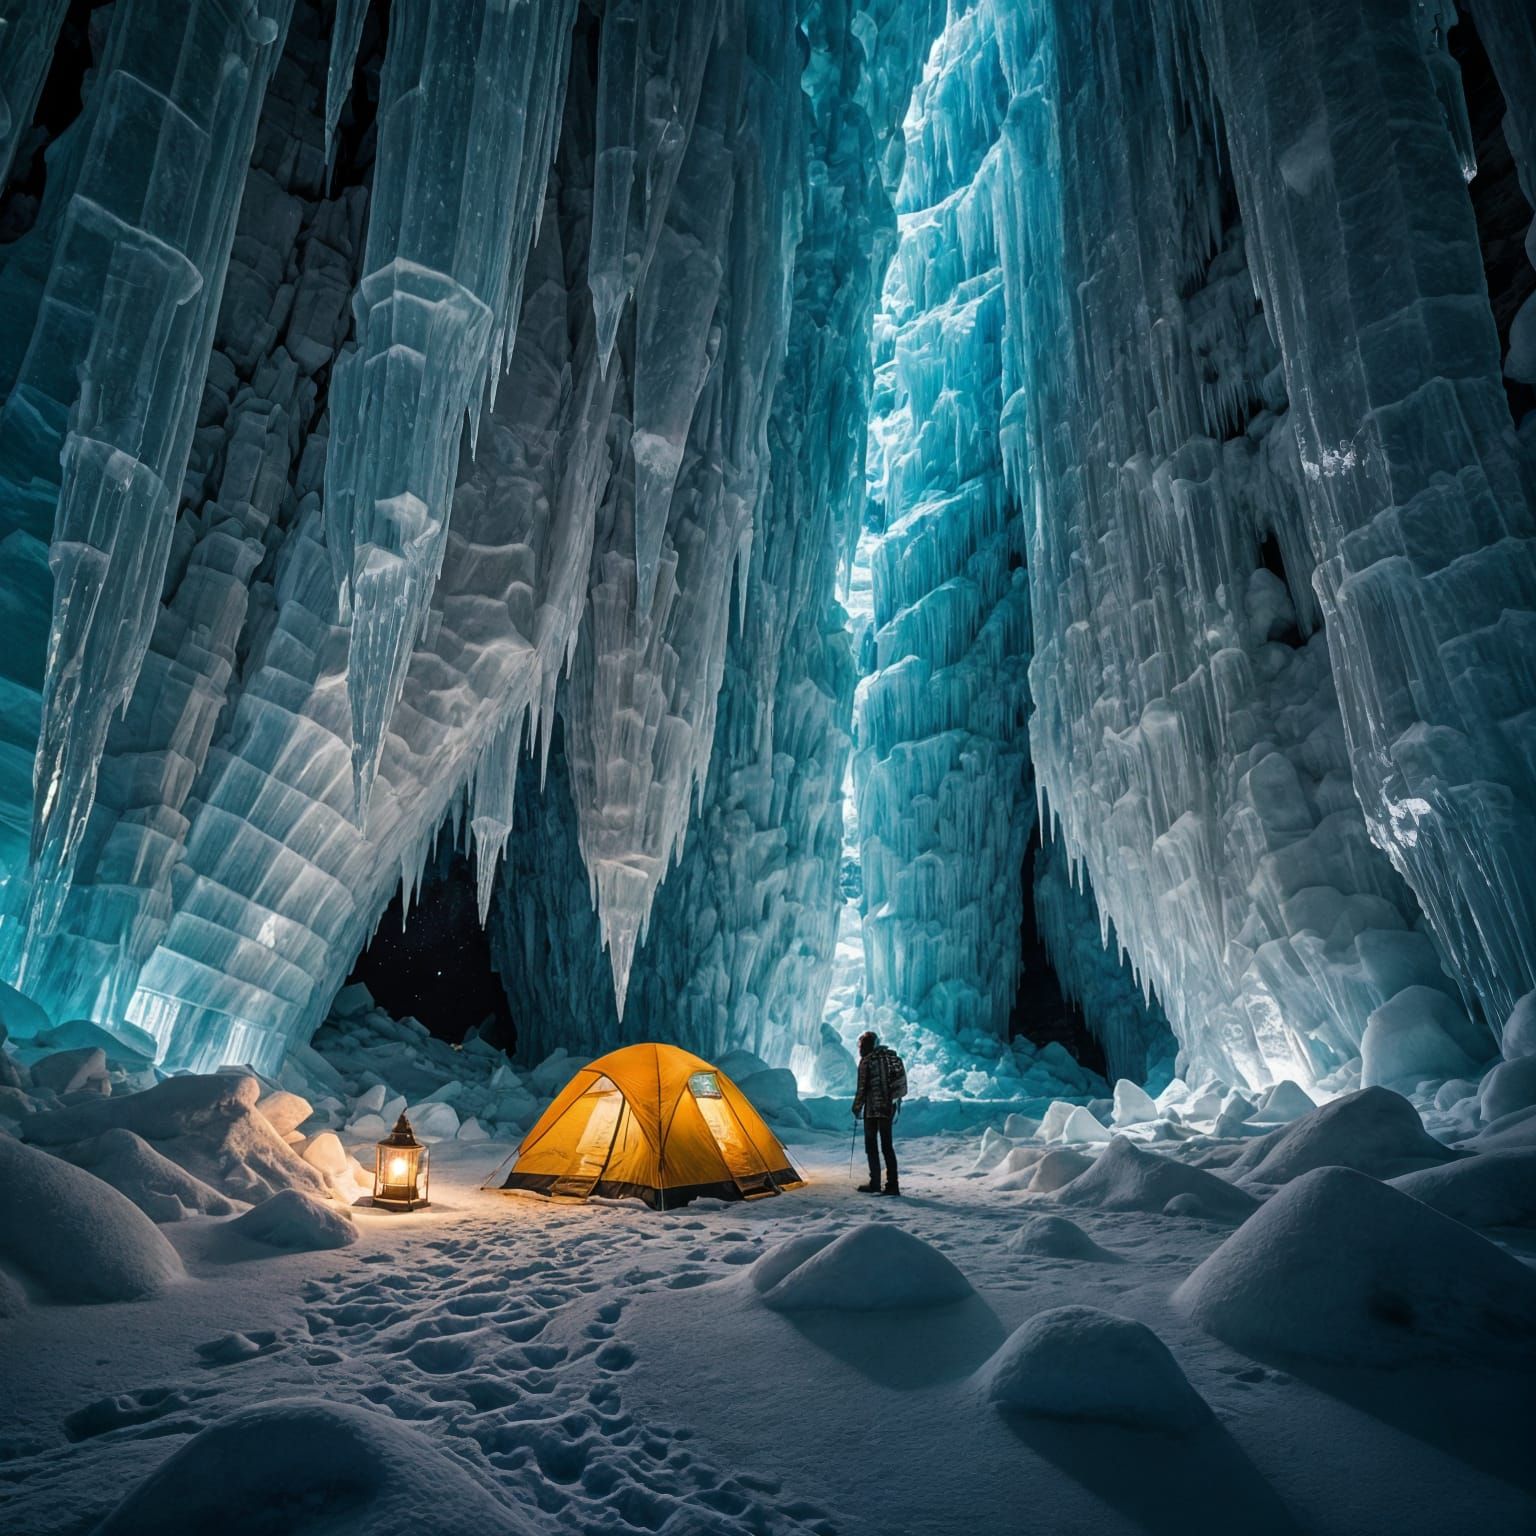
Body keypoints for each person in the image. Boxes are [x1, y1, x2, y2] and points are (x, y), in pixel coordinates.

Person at [852, 1030, 903, 1195]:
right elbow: (900, 1083)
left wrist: (857, 1107)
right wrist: (895, 1103)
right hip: (888, 1108)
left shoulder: (866, 1062)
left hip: (873, 1110)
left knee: (871, 1146)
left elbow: (862, 1088)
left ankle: (875, 1182)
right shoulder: (892, 1057)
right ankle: (892, 1185)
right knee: (887, 1146)